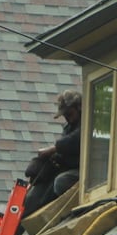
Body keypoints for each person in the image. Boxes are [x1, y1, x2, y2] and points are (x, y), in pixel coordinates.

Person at [22, 89, 82, 224]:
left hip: (84, 171)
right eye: (65, 115)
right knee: (31, 198)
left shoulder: (88, 123)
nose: (67, 118)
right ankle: (19, 221)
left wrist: (54, 148)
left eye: (69, 113)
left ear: (79, 107)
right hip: (66, 167)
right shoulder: (69, 127)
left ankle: (50, 214)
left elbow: (76, 140)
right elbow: (63, 150)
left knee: (61, 182)